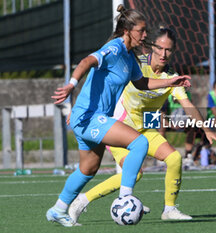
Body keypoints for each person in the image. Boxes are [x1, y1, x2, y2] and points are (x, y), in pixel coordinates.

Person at [46, 5, 191, 227]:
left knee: (88, 169)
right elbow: (86, 62)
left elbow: (142, 83)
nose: (145, 35)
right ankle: (125, 198)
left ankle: (58, 209)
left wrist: (171, 81)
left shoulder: (130, 58)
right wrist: (71, 86)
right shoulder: (113, 49)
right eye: (141, 30)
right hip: (89, 117)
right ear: (127, 30)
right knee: (139, 143)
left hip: (92, 118)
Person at [68, 25, 216, 223]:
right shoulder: (134, 64)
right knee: (136, 173)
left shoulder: (171, 78)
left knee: (175, 159)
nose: (164, 53)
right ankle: (81, 201)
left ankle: (169, 209)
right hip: (117, 127)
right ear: (151, 47)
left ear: (173, 51)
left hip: (143, 131)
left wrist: (206, 129)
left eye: (169, 49)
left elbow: (188, 105)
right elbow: (101, 80)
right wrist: (81, 107)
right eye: (160, 48)